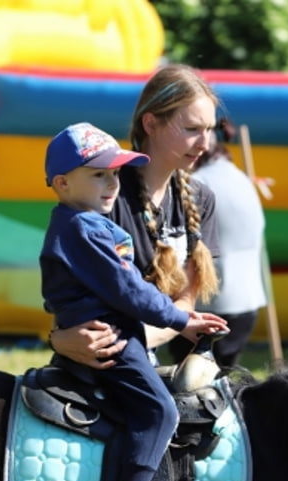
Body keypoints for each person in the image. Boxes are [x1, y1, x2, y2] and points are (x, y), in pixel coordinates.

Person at [41, 122, 227, 481]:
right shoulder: (83, 229)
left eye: (114, 174)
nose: (112, 184)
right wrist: (182, 320)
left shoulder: (84, 224)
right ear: (62, 183)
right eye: (98, 175)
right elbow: (128, 290)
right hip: (112, 339)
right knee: (160, 410)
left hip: (115, 331)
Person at [49, 64, 223, 367]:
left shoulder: (202, 199)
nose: (205, 144)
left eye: (209, 130)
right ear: (151, 124)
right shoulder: (103, 192)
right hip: (95, 363)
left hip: (134, 355)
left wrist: (131, 342)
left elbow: (184, 302)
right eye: (192, 129)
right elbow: (66, 290)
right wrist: (61, 338)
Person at [191, 118, 267, 368]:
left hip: (208, 307)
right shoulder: (242, 179)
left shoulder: (198, 183)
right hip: (246, 302)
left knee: (193, 389)